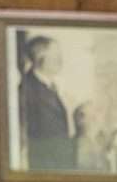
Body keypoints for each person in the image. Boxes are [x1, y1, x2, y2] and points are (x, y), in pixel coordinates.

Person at [17, 34, 76, 170]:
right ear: (39, 58)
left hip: (58, 161)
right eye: (55, 55)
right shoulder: (27, 89)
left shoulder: (51, 86)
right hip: (44, 164)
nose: (61, 60)